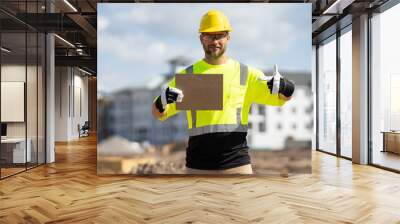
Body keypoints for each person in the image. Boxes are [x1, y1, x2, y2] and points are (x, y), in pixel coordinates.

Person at [151, 9, 295, 174]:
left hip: (237, 166)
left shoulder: (246, 74)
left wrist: (286, 86)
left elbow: (284, 97)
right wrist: (162, 101)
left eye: (219, 35)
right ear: (201, 39)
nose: (214, 41)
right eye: (209, 36)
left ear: (228, 37)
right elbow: (157, 113)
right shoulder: (188, 76)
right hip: (197, 166)